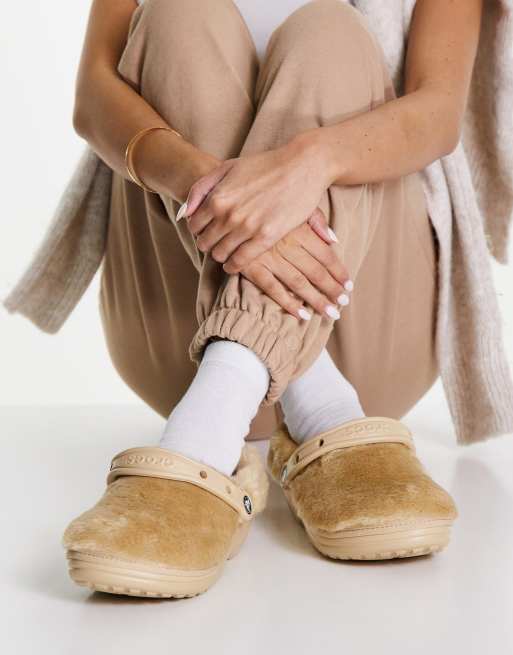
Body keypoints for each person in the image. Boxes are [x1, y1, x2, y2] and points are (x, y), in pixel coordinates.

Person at [8, 0, 513, 598]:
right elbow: (94, 96)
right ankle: (307, 399)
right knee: (179, 16)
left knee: (333, 33)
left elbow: (437, 115)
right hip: (172, 326)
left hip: (368, 323)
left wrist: (310, 161)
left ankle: (205, 434)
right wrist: (208, 191)